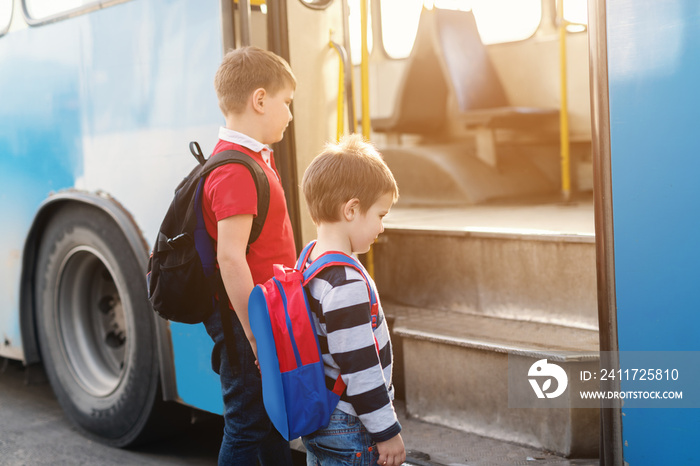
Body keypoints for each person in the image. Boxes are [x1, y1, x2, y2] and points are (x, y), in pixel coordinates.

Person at [202, 46, 296, 466]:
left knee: (271, 421)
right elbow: (231, 259)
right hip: (247, 322)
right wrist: (255, 334)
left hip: (261, 315)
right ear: (260, 100)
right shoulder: (236, 170)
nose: (290, 116)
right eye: (286, 104)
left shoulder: (251, 158)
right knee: (246, 424)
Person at [300, 135, 406, 466]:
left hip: (323, 418)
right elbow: (361, 368)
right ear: (352, 209)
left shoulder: (308, 260)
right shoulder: (344, 283)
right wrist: (387, 432)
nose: (382, 227)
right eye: (380, 214)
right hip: (349, 424)